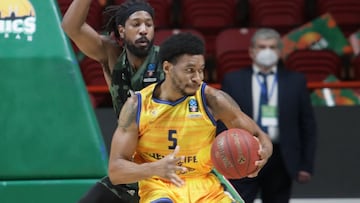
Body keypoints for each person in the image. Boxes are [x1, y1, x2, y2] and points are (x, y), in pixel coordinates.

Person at [108, 32, 273, 203]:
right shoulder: (137, 105)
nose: (198, 78)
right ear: (167, 68)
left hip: (205, 187)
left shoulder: (212, 99)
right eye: (190, 70)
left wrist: (264, 154)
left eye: (201, 70)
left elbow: (260, 136)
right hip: (160, 186)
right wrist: (154, 168)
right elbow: (116, 171)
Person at [61, 0, 164, 202]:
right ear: (122, 31)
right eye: (136, 24)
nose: (143, 30)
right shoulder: (112, 55)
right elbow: (71, 27)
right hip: (128, 171)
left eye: (148, 24)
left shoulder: (168, 63)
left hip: (163, 170)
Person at [217, 28, 317, 203]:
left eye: (272, 47)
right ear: (252, 51)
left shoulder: (296, 81)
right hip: (242, 152)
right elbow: (221, 123)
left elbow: (307, 125)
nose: (267, 51)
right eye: (262, 47)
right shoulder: (233, 80)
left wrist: (306, 164)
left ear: (279, 51)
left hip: (281, 158)